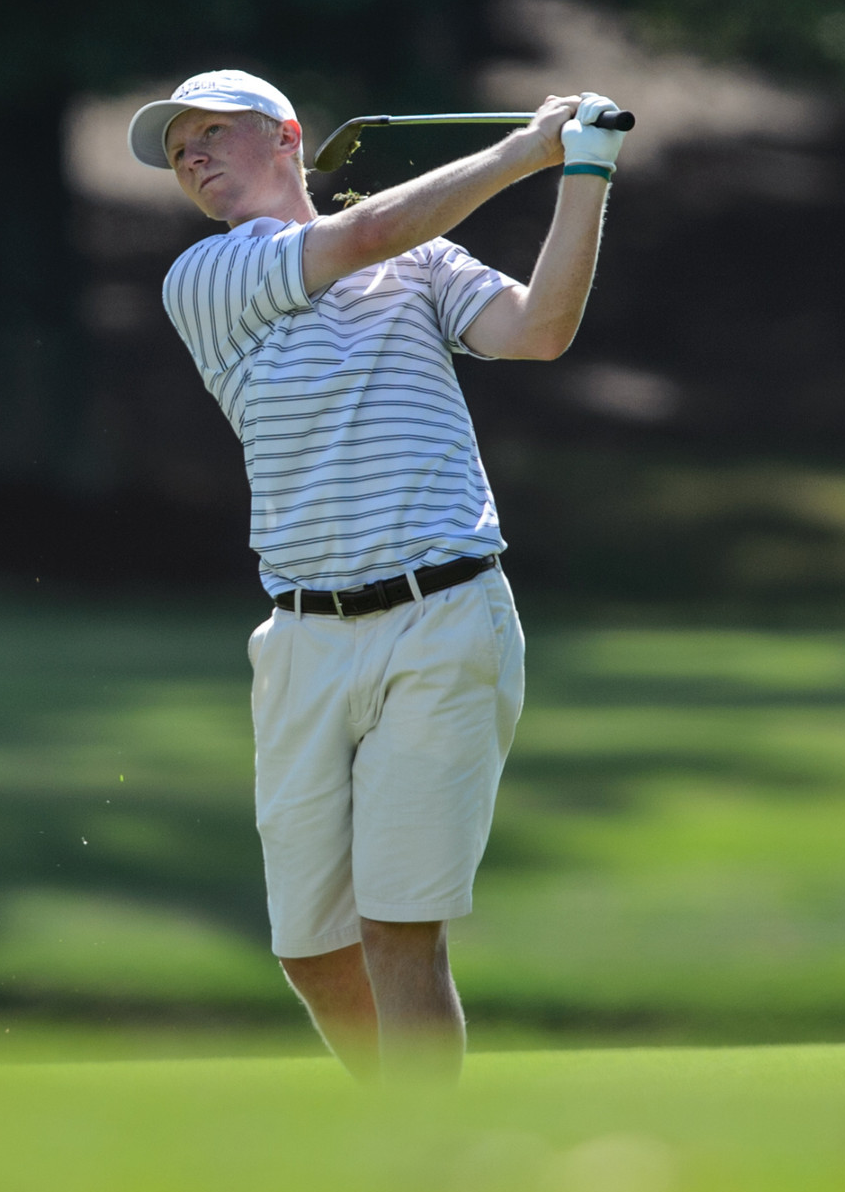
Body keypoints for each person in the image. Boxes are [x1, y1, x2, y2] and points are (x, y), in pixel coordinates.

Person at [130, 70, 625, 1080]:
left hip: (442, 616)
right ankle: (400, 1124)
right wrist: (522, 152)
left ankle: (423, 1164)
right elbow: (359, 239)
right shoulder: (208, 276)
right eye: (180, 152)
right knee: (312, 952)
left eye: (212, 135)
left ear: (288, 137)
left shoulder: (422, 262)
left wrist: (585, 167)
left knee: (400, 930)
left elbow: (536, 331)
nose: (192, 159)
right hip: (303, 635)